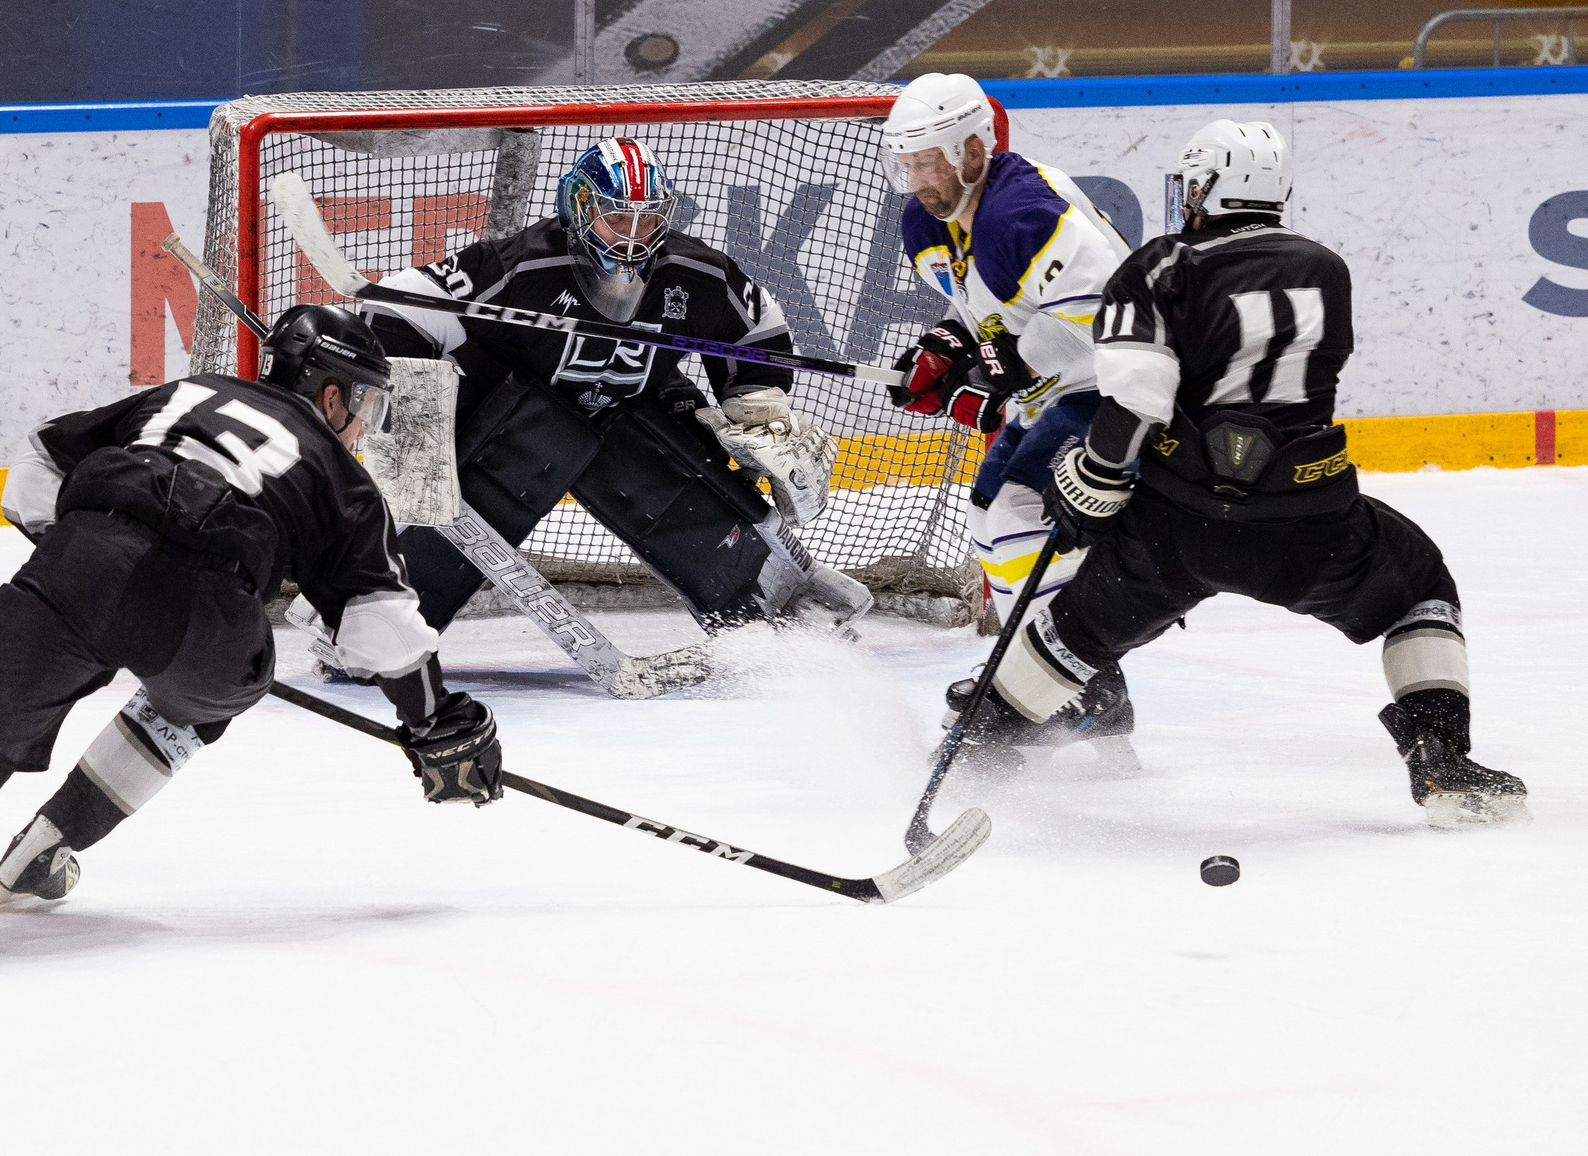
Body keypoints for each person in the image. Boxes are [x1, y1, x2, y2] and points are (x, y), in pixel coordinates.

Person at [0, 306, 501, 979]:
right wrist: (434, 721)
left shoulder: (189, 391)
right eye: (366, 408)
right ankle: (49, 848)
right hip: (212, 621)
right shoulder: (345, 481)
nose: (363, 431)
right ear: (334, 394)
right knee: (198, 705)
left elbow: (36, 466)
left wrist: (82, 564)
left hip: (84, 557)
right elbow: (381, 633)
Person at [992, 120, 1528, 826]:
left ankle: (983, 750)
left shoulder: (1160, 265)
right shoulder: (1325, 266)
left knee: (1079, 628)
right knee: (1419, 587)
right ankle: (1442, 763)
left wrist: (1093, 477)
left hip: (1177, 526)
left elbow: (1137, 395)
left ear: (1208, 186)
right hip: (1309, 522)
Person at [360, 137, 864, 638]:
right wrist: (416, 427)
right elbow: (393, 309)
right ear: (580, 208)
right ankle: (383, 626)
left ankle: (764, 618)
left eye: (647, 219)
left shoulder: (696, 273)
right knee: (511, 461)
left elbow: (758, 331)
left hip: (635, 410)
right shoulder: (520, 266)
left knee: (685, 465)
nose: (633, 235)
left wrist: (754, 397)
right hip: (514, 421)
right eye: (617, 217)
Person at [881, 73, 1140, 767]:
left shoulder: (1023, 211)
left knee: (1025, 507)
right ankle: (1068, 683)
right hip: (1059, 390)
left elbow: (1098, 319)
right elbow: (985, 315)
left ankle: (1083, 682)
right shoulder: (927, 222)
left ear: (972, 150)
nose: (916, 180)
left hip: (1124, 389)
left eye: (926, 161)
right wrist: (949, 349)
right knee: (990, 514)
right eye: (905, 164)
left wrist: (1001, 377)